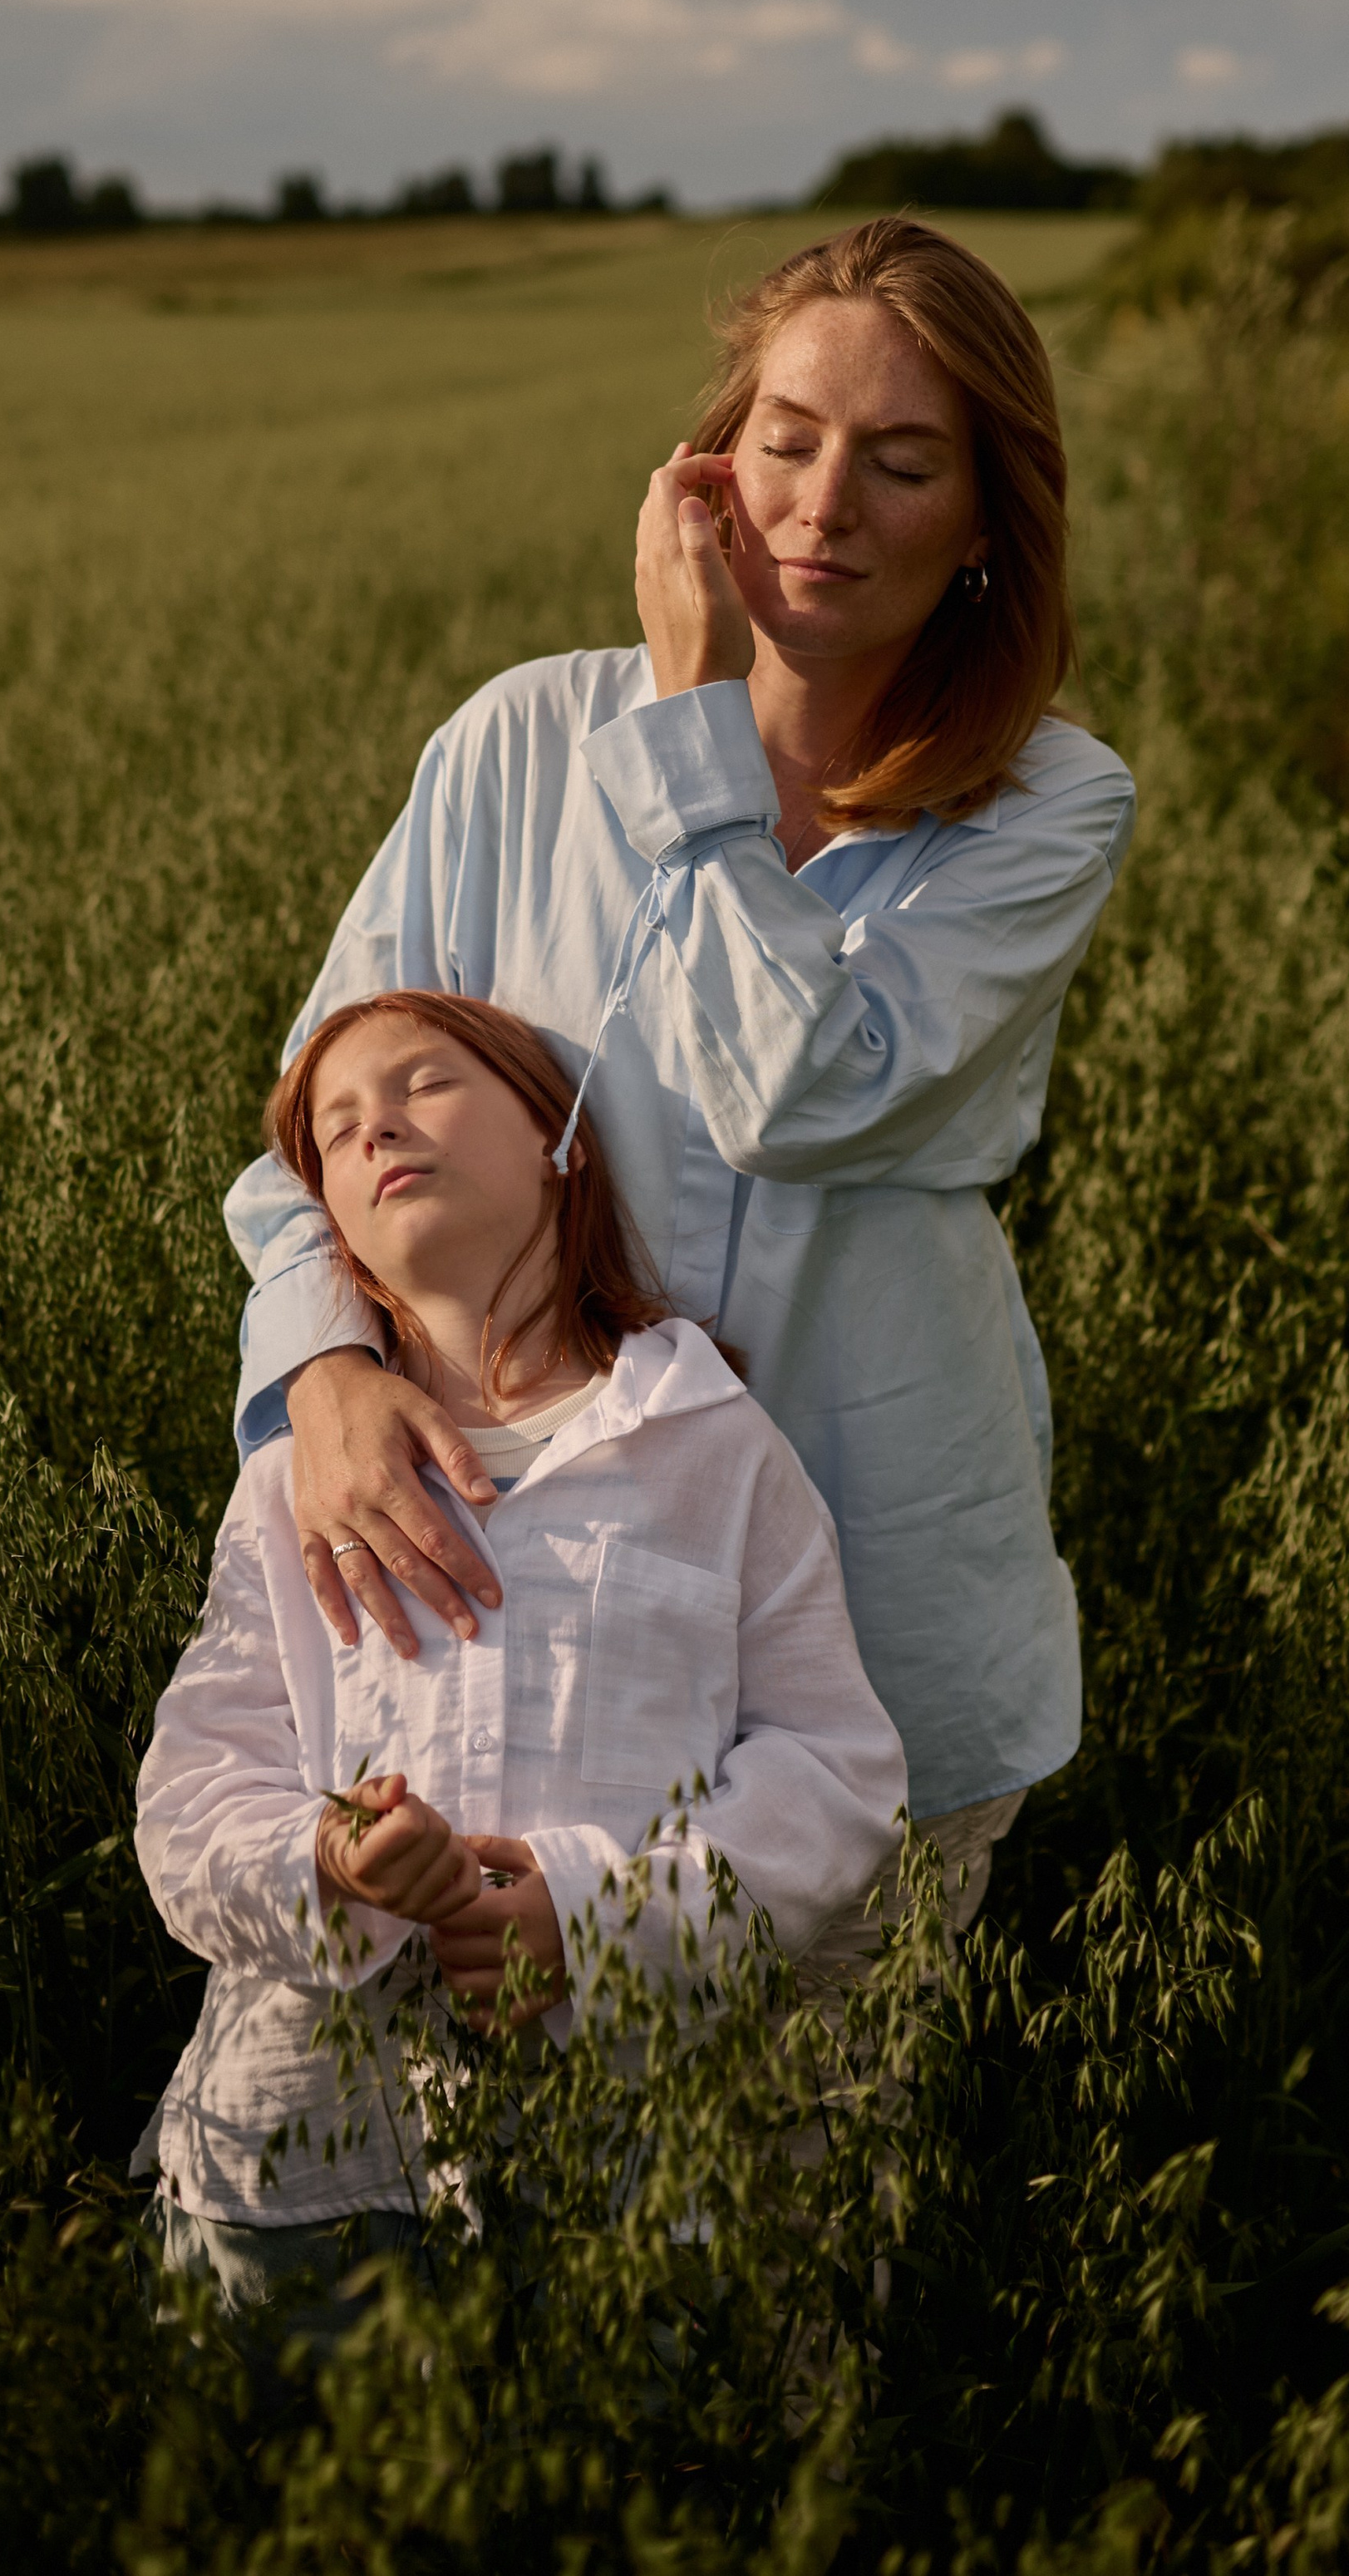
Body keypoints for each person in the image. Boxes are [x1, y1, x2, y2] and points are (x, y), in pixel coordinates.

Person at [224, 217, 1135, 1933]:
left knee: (798, 2175)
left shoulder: (1040, 813)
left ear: (985, 530)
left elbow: (795, 1097)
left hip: (868, 1638)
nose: (818, 504)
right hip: (514, 1633)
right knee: (458, 2159)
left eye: (900, 461)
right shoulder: (510, 746)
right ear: (705, 467)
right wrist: (323, 1367)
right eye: (783, 440)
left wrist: (691, 724)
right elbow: (307, 1141)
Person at [134, 992, 908, 2315]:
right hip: (303, 2191)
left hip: (626, 2185)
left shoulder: (713, 1449)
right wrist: (333, 1857)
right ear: (341, 1239)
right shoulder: (289, 1491)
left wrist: (594, 1913)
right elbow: (189, 1797)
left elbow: (833, 1775)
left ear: (565, 1142)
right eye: (334, 1130)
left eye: (424, 1084)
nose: (375, 1124)